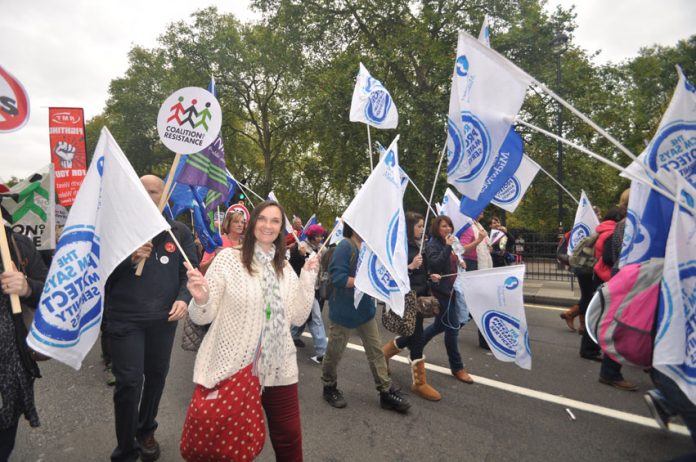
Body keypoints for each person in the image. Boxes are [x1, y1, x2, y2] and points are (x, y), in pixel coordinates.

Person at [185, 200, 318, 461]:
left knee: (289, 438)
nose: (268, 225)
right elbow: (202, 316)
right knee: (227, 440)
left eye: (275, 221)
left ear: (281, 229)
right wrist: (201, 298)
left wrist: (308, 279)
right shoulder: (228, 260)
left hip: (278, 366)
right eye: (263, 219)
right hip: (235, 367)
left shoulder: (284, 268)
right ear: (253, 222)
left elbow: (298, 316)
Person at [103, 175, 199, 462]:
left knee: (156, 378)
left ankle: (146, 429)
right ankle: (126, 448)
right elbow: (101, 276)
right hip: (125, 320)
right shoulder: (119, 230)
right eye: (141, 191)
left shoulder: (178, 232)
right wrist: (129, 259)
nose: (148, 195)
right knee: (130, 383)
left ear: (164, 196)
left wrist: (184, 297)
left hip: (163, 321)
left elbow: (189, 272)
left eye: (154, 191)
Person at [320, 223, 411, 413]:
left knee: (376, 352)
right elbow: (337, 279)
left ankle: (385, 392)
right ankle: (329, 387)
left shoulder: (370, 249)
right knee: (335, 352)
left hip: (365, 312)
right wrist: (366, 281)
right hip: (343, 312)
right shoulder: (345, 246)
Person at [0, 226, 48, 462]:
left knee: (6, 422)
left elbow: (49, 291)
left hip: (12, 364)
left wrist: (28, 287)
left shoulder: (17, 245)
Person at [382, 212, 441, 401]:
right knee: (416, 337)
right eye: (419, 226)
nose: (422, 229)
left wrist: (429, 276)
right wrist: (410, 266)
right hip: (408, 297)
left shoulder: (419, 245)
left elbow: (423, 271)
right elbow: (393, 274)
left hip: (420, 295)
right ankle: (419, 383)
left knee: (412, 333)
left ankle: (382, 355)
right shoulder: (401, 247)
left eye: (423, 226)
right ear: (409, 227)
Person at [581, 206, 638, 391]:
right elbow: (609, 256)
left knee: (600, 313)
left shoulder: (607, 229)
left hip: (606, 274)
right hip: (614, 276)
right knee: (611, 318)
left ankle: (592, 351)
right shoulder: (619, 229)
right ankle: (606, 365)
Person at [421, 215, 474, 384]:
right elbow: (436, 265)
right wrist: (447, 246)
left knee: (439, 325)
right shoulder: (433, 245)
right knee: (452, 327)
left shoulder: (451, 242)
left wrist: (460, 262)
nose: (448, 229)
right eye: (444, 226)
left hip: (453, 289)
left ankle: (412, 344)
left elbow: (454, 259)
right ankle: (457, 367)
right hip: (442, 293)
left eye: (449, 226)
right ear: (437, 228)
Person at [289, 224, 328, 363]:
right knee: (315, 318)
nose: (320, 238)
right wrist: (299, 254)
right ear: (311, 236)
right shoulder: (299, 247)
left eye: (321, 236)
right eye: (317, 236)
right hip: (303, 288)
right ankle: (322, 352)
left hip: (315, 287)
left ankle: (293, 335)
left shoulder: (321, 249)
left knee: (304, 314)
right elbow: (293, 266)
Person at [199, 206, 247, 273]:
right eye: (236, 222)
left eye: (242, 222)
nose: (240, 225)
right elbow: (201, 268)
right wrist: (214, 259)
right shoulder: (217, 241)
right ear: (228, 224)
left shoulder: (246, 245)